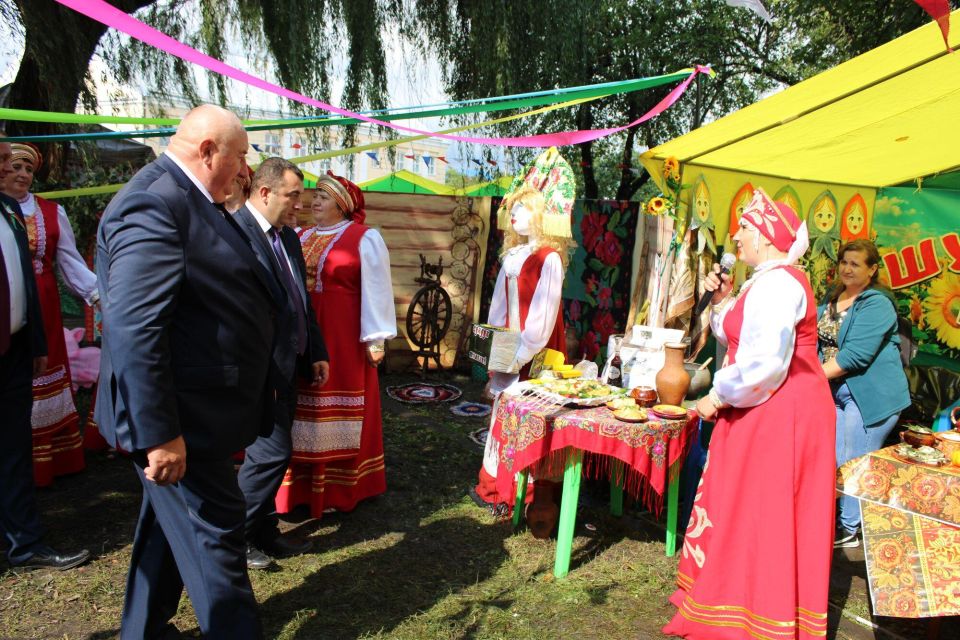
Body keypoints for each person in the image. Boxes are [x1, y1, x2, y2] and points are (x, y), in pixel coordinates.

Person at [95, 105, 278, 639]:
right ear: (208, 152)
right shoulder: (155, 203)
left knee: (166, 525)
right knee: (215, 535)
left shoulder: (192, 197)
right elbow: (135, 327)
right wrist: (160, 435)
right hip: (180, 420)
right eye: (240, 157)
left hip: (197, 410)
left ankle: (144, 630)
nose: (245, 170)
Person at [664, 187, 835, 640]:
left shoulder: (778, 285)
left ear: (765, 234)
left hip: (780, 409)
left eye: (744, 227)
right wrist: (723, 300)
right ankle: (738, 599)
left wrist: (717, 396)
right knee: (748, 504)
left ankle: (758, 612)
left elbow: (764, 363)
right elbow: (740, 336)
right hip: (768, 402)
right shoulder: (766, 279)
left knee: (764, 508)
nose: (736, 236)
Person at [275, 170, 396, 518]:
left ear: (342, 205)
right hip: (305, 333)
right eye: (315, 195)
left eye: (324, 197)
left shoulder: (364, 238)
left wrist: (376, 338)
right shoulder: (299, 234)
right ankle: (298, 489)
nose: (315, 201)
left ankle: (339, 488)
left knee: (339, 402)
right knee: (300, 403)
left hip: (343, 337)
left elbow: (376, 288)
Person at [1, 135, 91, 572]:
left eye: (19, 164)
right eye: (5, 161)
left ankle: (24, 542)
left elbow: (31, 278)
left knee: (13, 443)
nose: (12, 170)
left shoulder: (18, 213)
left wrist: (36, 344)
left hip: (20, 340)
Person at [234, 158, 329, 570]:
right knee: (270, 454)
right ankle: (235, 537)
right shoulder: (236, 233)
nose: (300, 205)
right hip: (259, 370)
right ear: (265, 192)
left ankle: (263, 530)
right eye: (292, 196)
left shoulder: (287, 237)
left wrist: (315, 350)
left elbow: (299, 301)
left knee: (273, 453)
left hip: (289, 365)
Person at [474, 183, 573, 513]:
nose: (514, 214)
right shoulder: (514, 256)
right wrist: (496, 349)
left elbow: (543, 317)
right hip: (511, 346)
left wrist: (520, 356)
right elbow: (498, 308)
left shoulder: (549, 259)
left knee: (530, 419)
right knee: (504, 413)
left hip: (537, 351)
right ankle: (495, 486)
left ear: (542, 216)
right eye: (513, 209)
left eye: (523, 208)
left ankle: (526, 494)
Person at [817, 239, 910, 548]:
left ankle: (850, 528)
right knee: (834, 458)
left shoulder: (877, 303)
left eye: (855, 264)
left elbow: (854, 356)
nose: (847, 268)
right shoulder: (833, 298)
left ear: (872, 270)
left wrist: (808, 378)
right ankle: (835, 520)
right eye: (844, 262)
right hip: (835, 391)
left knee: (854, 460)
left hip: (870, 396)